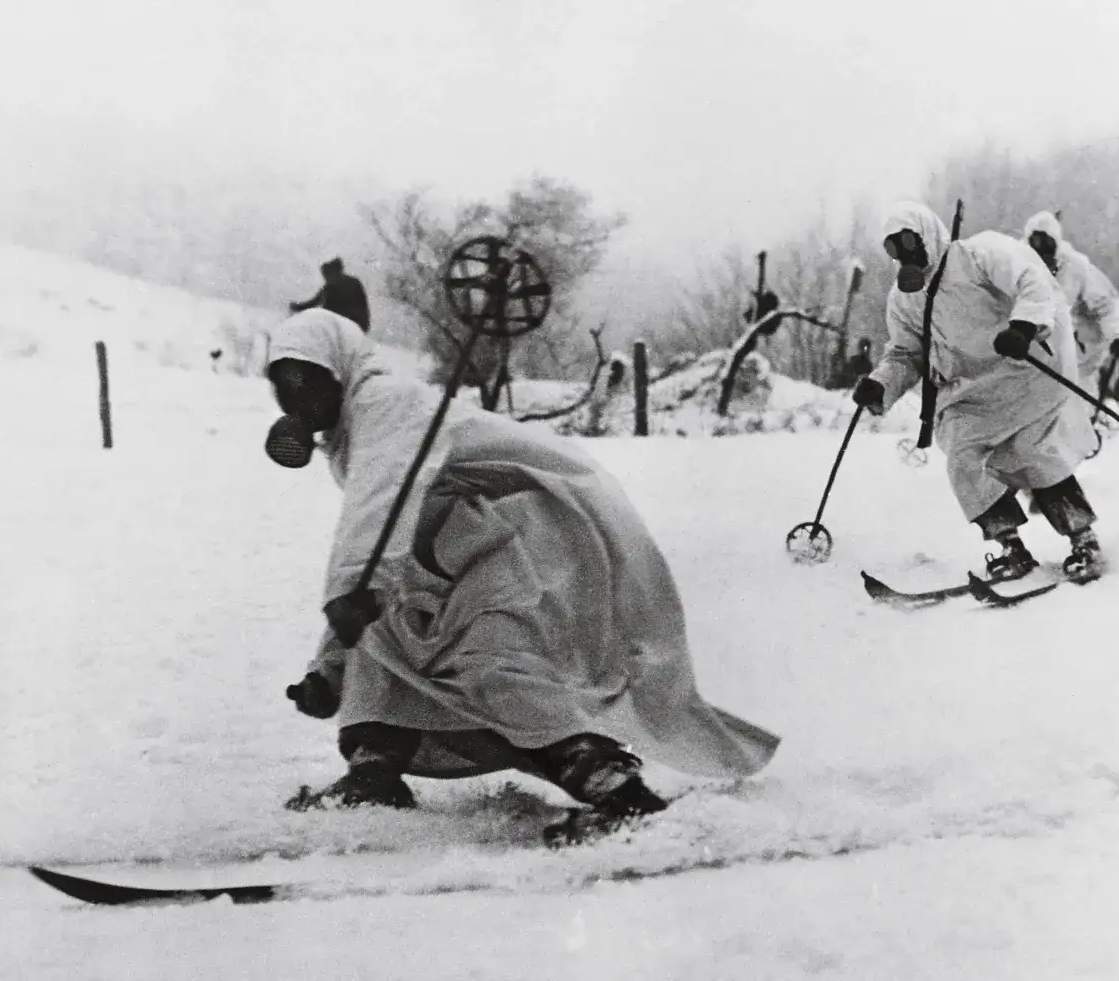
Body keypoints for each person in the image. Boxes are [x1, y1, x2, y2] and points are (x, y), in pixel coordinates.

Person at [264, 309, 780, 844]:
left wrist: (349, 589)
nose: (300, 401)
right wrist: (329, 668)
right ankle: (374, 771)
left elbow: (376, 508)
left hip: (531, 528)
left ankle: (619, 792)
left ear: (340, 371)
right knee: (383, 636)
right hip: (463, 546)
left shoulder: (384, 401)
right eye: (285, 389)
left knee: (494, 660)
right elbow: (377, 549)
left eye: (309, 382)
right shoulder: (353, 436)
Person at [851, 202, 1103, 583]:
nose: (905, 254)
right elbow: (906, 353)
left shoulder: (978, 255)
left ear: (928, 234)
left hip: (1024, 374)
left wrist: (1023, 326)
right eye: (894, 248)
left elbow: (1031, 281)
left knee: (1035, 455)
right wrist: (881, 383)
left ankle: (1083, 540)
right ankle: (1010, 547)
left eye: (909, 241)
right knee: (964, 461)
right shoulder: (903, 300)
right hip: (972, 394)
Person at [1022, 212, 1119, 400]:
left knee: (1076, 393)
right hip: (1038, 346)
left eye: (1048, 249)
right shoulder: (1019, 264)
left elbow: (1106, 303)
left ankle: (1089, 422)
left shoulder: (1076, 267)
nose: (1043, 257)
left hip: (1079, 345)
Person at [290, 258, 371, 333]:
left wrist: (295, 307)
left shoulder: (330, 287)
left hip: (342, 327)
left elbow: (312, 304)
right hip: (359, 326)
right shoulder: (355, 282)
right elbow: (364, 304)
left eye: (325, 274)